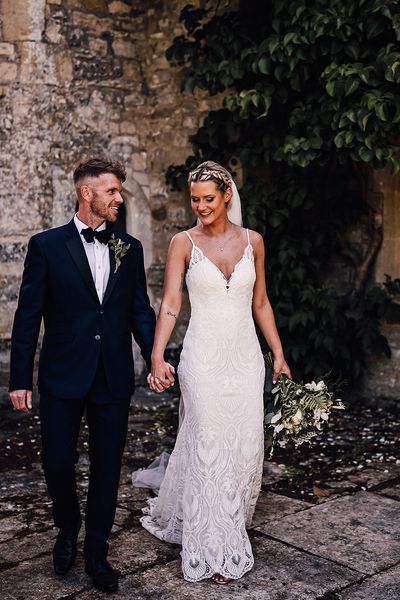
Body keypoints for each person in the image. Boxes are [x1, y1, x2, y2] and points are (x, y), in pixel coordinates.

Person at [9, 158, 174, 593]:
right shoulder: (45, 246)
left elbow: (140, 309)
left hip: (112, 376)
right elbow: (28, 317)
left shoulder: (130, 248)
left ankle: (97, 552)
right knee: (58, 461)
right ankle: (67, 526)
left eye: (120, 191)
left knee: (107, 467)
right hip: (62, 375)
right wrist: (19, 379)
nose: (119, 198)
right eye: (112, 191)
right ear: (88, 193)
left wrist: (155, 357)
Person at [139, 160, 291, 584]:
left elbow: (260, 302)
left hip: (244, 359)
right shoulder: (182, 243)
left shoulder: (254, 242)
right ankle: (213, 547)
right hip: (201, 359)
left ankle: (229, 522)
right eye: (195, 199)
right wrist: (156, 355)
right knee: (208, 441)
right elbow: (171, 303)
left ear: (227, 196)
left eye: (209, 199)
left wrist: (277, 353)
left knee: (242, 446)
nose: (201, 207)